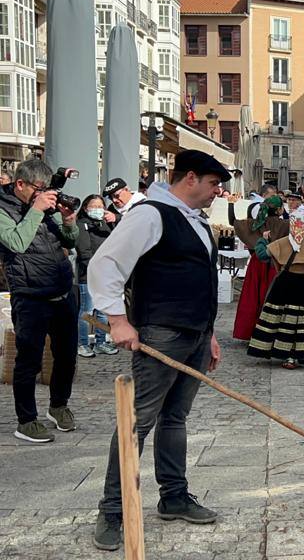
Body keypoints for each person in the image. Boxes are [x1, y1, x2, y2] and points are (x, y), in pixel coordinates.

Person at [88, 150, 231, 551]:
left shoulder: (195, 220)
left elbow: (200, 280)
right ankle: (112, 510)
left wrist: (209, 334)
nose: (217, 192)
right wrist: (118, 320)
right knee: (138, 421)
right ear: (190, 178)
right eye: (213, 184)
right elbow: (105, 265)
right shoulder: (150, 215)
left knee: (175, 418)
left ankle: (174, 496)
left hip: (195, 336)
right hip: (161, 334)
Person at [0, 159, 80, 443]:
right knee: (29, 361)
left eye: (46, 188)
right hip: (30, 296)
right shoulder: (3, 209)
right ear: (20, 183)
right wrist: (36, 210)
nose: (43, 193)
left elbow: (69, 242)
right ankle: (26, 421)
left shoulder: (44, 204)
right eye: (38, 188)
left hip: (63, 291)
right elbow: (16, 243)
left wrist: (69, 222)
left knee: (67, 356)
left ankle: (59, 406)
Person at [247, 212, 304, 369]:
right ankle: (300, 354)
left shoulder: (281, 243)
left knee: (283, 319)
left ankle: (287, 355)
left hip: (285, 284)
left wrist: (263, 240)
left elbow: (261, 254)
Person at [232, 196, 288, 341]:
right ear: (278, 209)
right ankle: (271, 332)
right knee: (272, 296)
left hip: (257, 263)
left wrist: (231, 204)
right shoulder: (284, 224)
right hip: (275, 263)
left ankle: (251, 331)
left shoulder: (254, 224)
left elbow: (233, 221)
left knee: (253, 297)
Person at [75, 194, 118, 358]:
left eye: (100, 206)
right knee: (87, 311)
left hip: (106, 275)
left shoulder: (105, 224)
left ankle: (100, 342)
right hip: (89, 276)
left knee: (102, 312)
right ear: (86, 208)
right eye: (94, 206)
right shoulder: (81, 224)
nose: (98, 209)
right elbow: (84, 252)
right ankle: (83, 344)